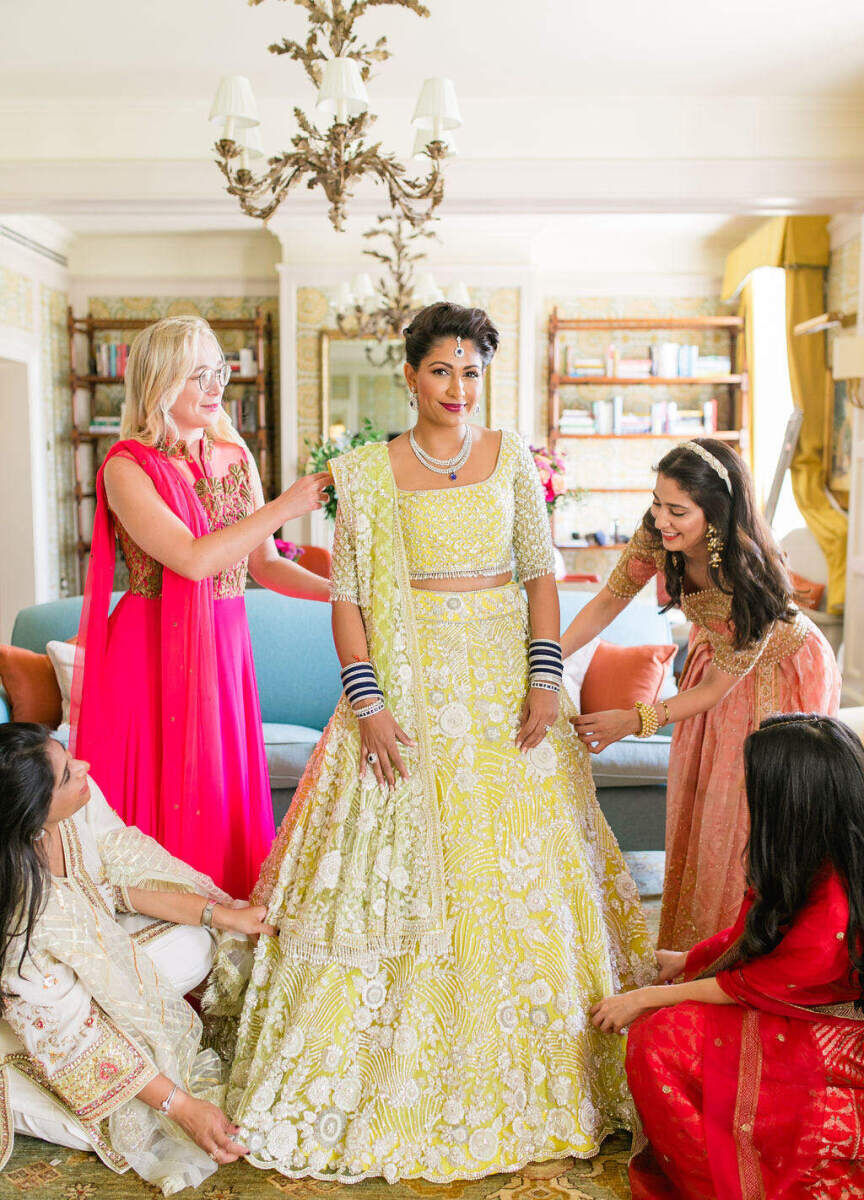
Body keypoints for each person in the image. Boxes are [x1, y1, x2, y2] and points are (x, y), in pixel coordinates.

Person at [205, 302, 655, 1185]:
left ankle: (540, 1076)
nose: (457, 388)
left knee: (523, 873)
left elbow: (539, 573)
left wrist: (541, 677)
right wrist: (367, 705)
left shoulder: (512, 459)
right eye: (442, 370)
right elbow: (351, 599)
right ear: (408, 376)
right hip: (408, 693)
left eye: (472, 371)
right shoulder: (367, 472)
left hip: (500, 690)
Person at [70, 316, 331, 898]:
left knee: (219, 794)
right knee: (154, 798)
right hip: (147, 652)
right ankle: (161, 944)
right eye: (199, 374)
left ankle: (226, 937)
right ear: (161, 380)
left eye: (220, 371)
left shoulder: (235, 456)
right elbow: (191, 559)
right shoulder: (126, 465)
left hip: (224, 647)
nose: (217, 387)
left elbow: (263, 566)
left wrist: (347, 593)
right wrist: (287, 505)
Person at [560, 438, 840, 948]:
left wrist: (633, 719)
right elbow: (607, 602)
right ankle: (693, 950)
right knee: (701, 801)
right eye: (656, 502)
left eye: (677, 510)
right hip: (718, 661)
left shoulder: (749, 579)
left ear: (715, 514)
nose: (660, 519)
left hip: (782, 673)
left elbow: (714, 691)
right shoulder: (655, 536)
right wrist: (548, 658)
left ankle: (746, 952)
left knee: (743, 812)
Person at [590, 714, 864, 1199]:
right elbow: (755, 932)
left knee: (659, 1040)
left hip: (831, 1029)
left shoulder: (836, 901)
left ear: (792, 801)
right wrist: (685, 959)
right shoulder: (813, 848)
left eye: (755, 785)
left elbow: (759, 982)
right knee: (670, 1020)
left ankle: (723, 1176)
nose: (746, 793)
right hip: (796, 999)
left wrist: (648, 998)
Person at [0, 723, 278, 1195]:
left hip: (70, 985)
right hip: (27, 1028)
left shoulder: (66, 814)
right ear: (33, 816)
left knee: (196, 942)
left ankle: (130, 1048)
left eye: (69, 756)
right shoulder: (20, 918)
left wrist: (221, 915)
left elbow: (113, 889)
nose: (84, 767)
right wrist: (183, 1108)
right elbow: (68, 1036)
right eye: (68, 773)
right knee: (113, 1125)